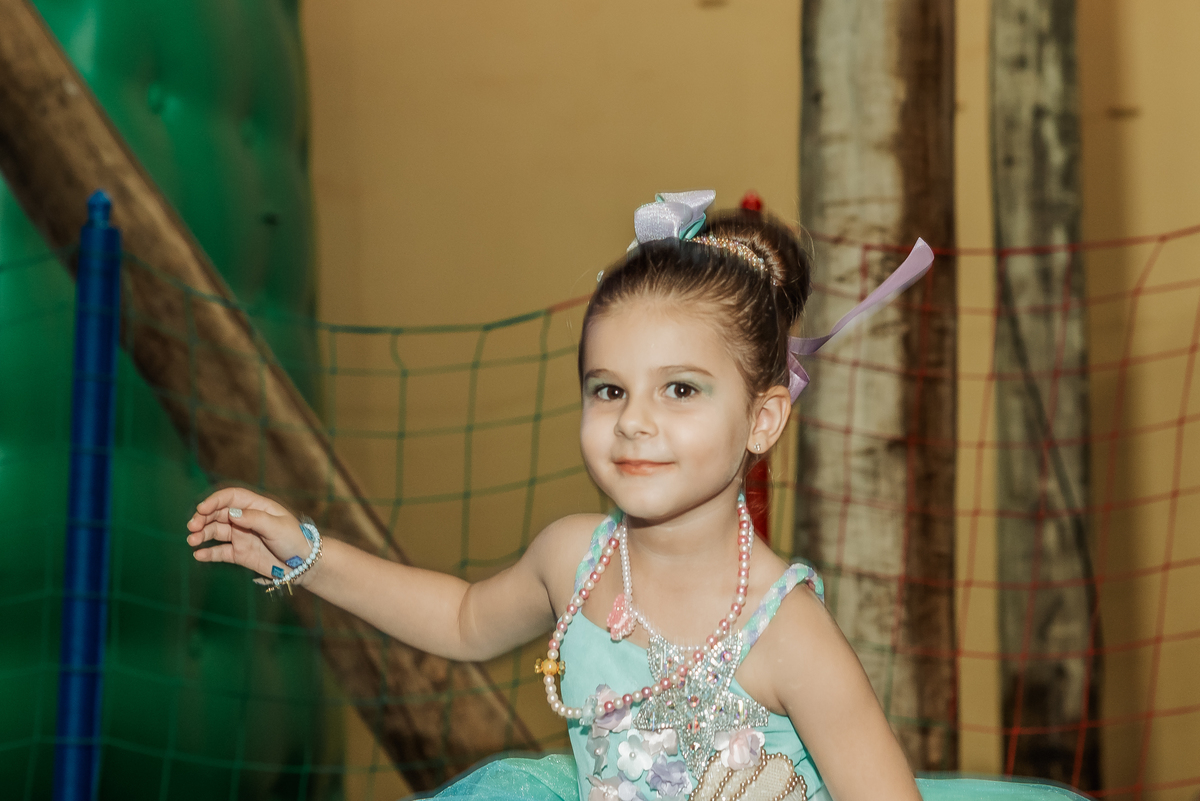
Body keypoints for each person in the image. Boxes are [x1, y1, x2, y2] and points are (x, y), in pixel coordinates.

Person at [186, 191, 1088, 801]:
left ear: (764, 418)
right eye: (608, 389)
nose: (634, 421)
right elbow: (461, 619)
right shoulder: (571, 556)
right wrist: (307, 554)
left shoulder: (786, 629)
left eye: (680, 389)